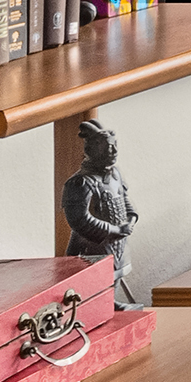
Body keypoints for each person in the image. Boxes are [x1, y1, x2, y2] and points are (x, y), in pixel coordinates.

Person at [61, 120, 139, 309]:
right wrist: (114, 229)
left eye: (114, 146)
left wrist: (131, 218)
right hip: (93, 244)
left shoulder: (115, 174)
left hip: (118, 240)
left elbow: (123, 198)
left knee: (117, 272)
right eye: (106, 147)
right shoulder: (80, 183)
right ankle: (103, 306)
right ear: (93, 150)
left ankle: (111, 304)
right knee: (97, 277)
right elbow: (80, 220)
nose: (112, 151)